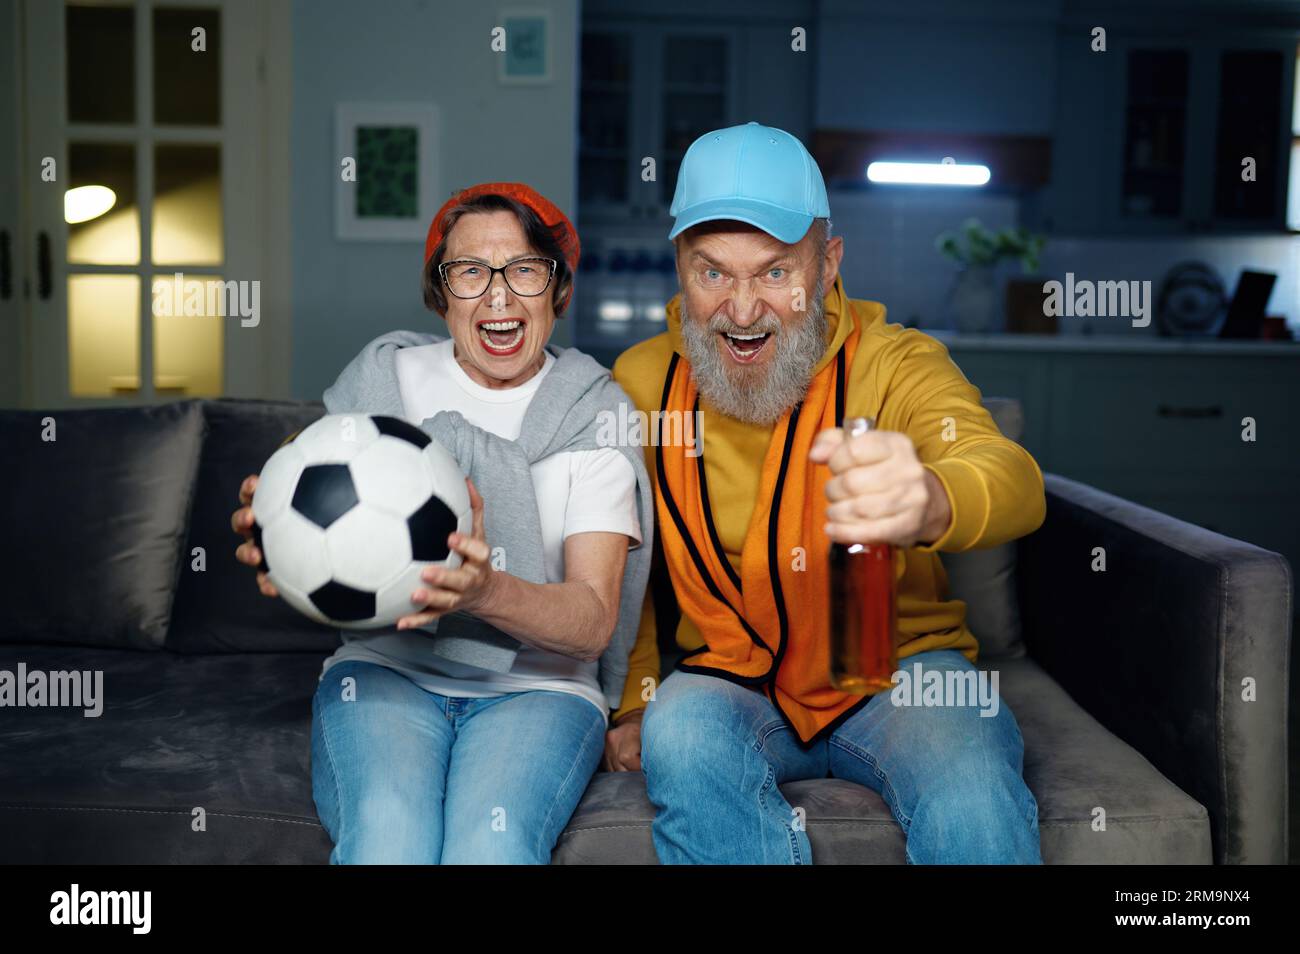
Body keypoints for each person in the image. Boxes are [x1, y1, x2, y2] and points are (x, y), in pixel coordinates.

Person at [602, 122, 1047, 864]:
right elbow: (629, 562)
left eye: (776, 273)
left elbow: (1011, 476)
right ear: (678, 265)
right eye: (713, 272)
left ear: (829, 262)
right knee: (677, 731)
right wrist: (635, 699)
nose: (742, 311)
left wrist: (931, 498)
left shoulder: (898, 363)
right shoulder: (641, 383)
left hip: (900, 670)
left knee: (972, 790)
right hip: (732, 676)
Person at [231, 182, 653, 863]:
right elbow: (303, 472)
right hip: (383, 672)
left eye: (524, 270)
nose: (498, 295)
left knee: (493, 845)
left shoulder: (594, 415)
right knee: (387, 839)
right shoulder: (384, 381)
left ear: (558, 289)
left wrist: (488, 593)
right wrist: (275, 531)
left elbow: (593, 619)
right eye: (469, 272)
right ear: (441, 294)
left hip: (541, 690)